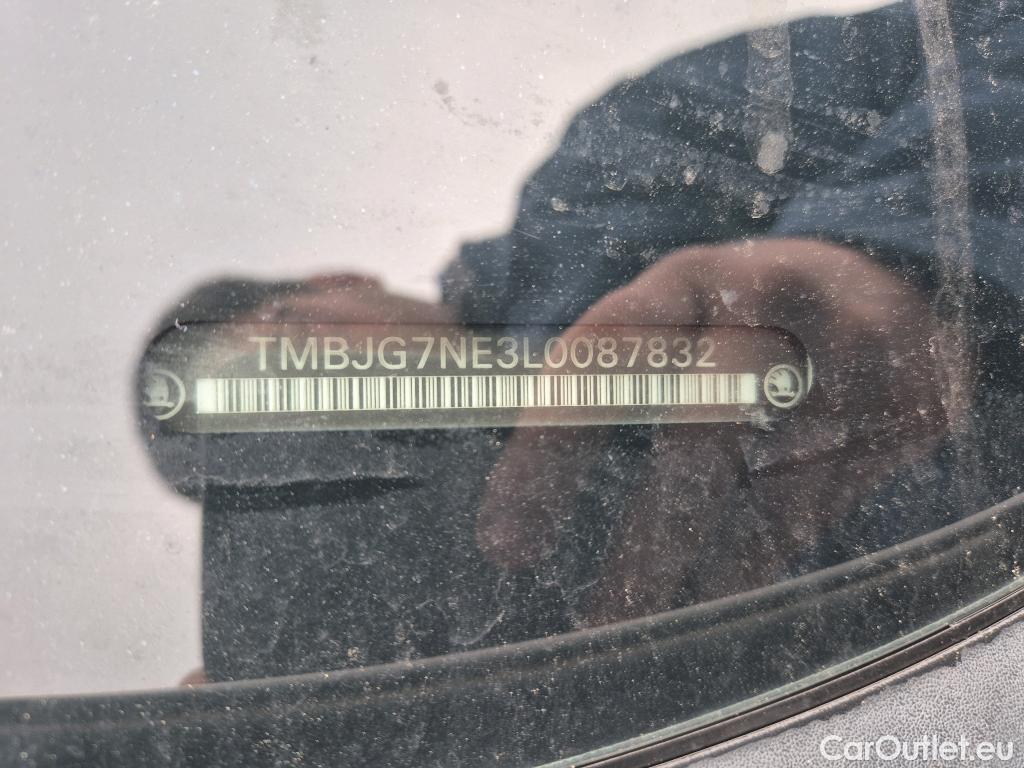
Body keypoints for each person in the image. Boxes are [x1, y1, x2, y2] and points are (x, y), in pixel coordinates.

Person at [144, 0, 1024, 681]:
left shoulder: (615, 162)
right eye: (278, 428)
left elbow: (987, 29)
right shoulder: (483, 641)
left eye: (287, 345)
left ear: (339, 279)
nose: (323, 387)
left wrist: (905, 255)